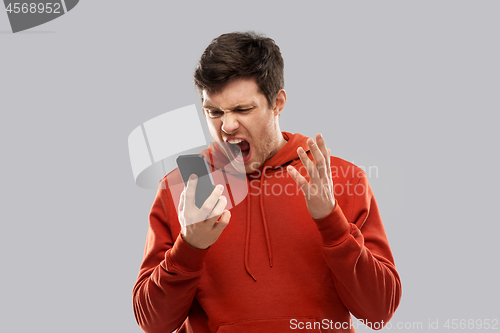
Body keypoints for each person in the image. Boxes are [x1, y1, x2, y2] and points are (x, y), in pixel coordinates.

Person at [133, 31, 402, 333]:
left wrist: (331, 221)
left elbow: (379, 311)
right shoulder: (183, 187)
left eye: (242, 109)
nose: (228, 125)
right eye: (214, 112)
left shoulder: (339, 179)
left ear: (278, 102)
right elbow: (153, 324)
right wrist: (190, 246)